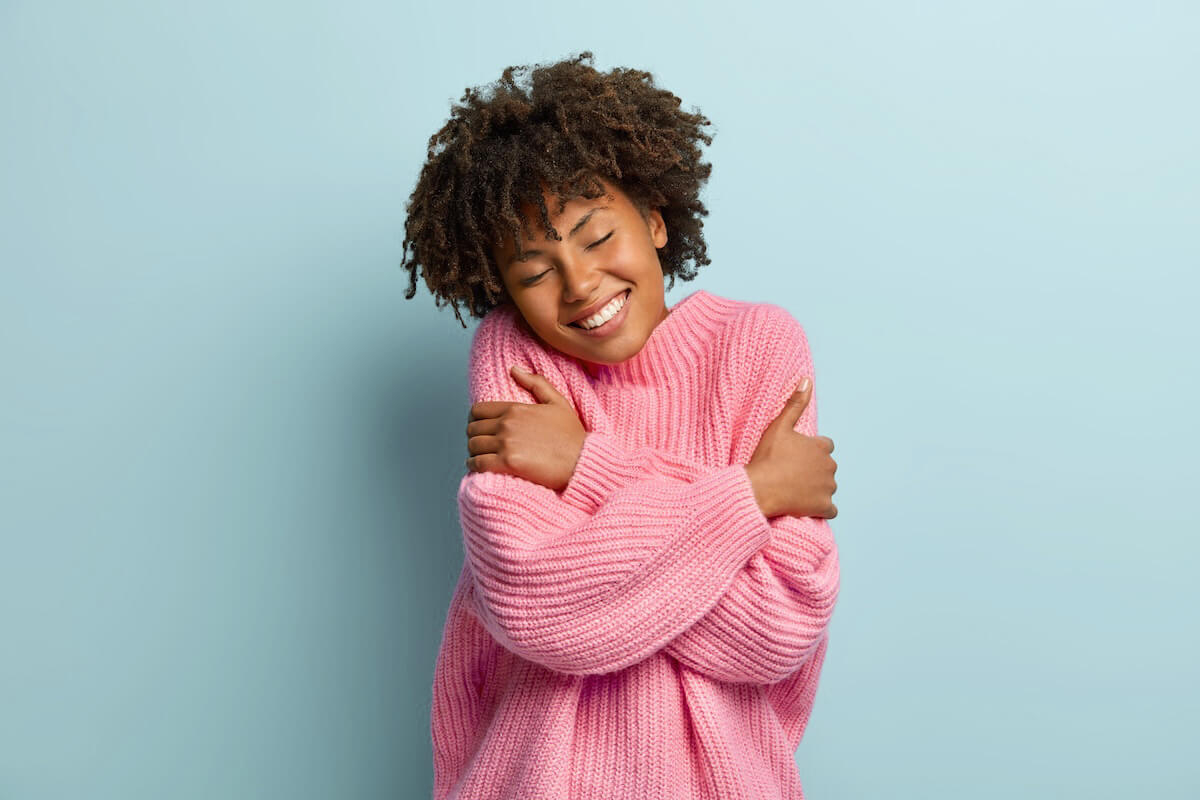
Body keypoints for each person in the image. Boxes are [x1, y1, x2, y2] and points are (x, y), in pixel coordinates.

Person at [401, 51, 840, 800]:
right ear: (502, 290)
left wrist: (585, 465)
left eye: (597, 238)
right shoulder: (515, 355)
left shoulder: (760, 346)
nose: (579, 286)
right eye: (534, 272)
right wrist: (750, 497)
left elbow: (778, 623)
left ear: (657, 220)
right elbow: (534, 604)